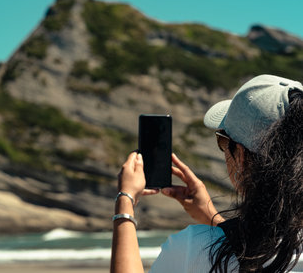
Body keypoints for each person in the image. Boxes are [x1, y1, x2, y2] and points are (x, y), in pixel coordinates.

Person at [110, 74, 303, 272]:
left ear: (241, 156)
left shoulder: (193, 249)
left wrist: (125, 201)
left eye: (223, 142)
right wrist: (213, 219)